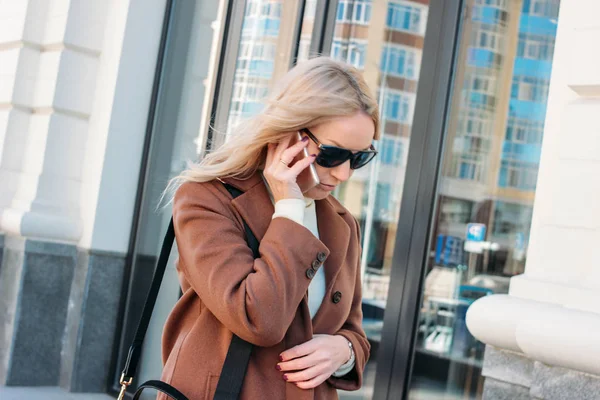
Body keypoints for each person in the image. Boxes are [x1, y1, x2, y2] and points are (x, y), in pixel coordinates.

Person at [160, 56, 380, 399]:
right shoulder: (206, 199)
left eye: (360, 158)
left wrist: (345, 351)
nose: (344, 174)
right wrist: (289, 207)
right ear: (289, 134)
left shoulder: (341, 223)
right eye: (332, 155)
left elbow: (352, 327)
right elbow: (258, 318)